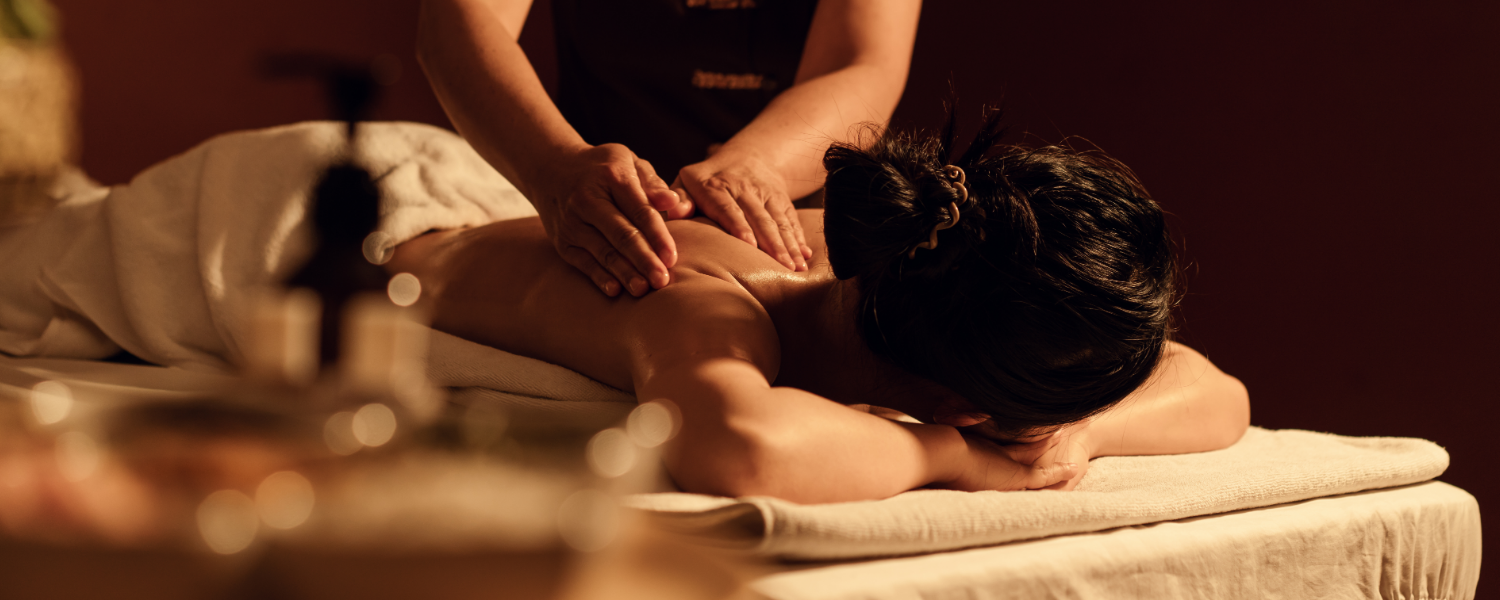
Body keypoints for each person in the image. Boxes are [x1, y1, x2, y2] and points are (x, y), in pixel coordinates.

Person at [385, 111, 1251, 503]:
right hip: (387, 226)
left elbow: (1217, 391)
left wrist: (1085, 432)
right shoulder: (707, 313)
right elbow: (741, 451)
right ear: (965, 405)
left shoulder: (910, 256)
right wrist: (953, 458)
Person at [416, 0, 920, 298]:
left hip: (788, 220)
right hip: (592, 217)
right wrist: (551, 165)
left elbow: (861, 60)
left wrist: (758, 165)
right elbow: (458, 19)